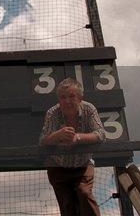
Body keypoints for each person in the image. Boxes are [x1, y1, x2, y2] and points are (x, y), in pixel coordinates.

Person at [39, 78, 106, 216]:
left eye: (71, 96)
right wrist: (57, 135)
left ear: (80, 98)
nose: (67, 101)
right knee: (67, 205)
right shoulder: (52, 113)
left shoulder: (89, 109)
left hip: (83, 165)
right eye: (63, 97)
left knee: (84, 192)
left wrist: (78, 138)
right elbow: (43, 140)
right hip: (58, 166)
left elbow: (100, 134)